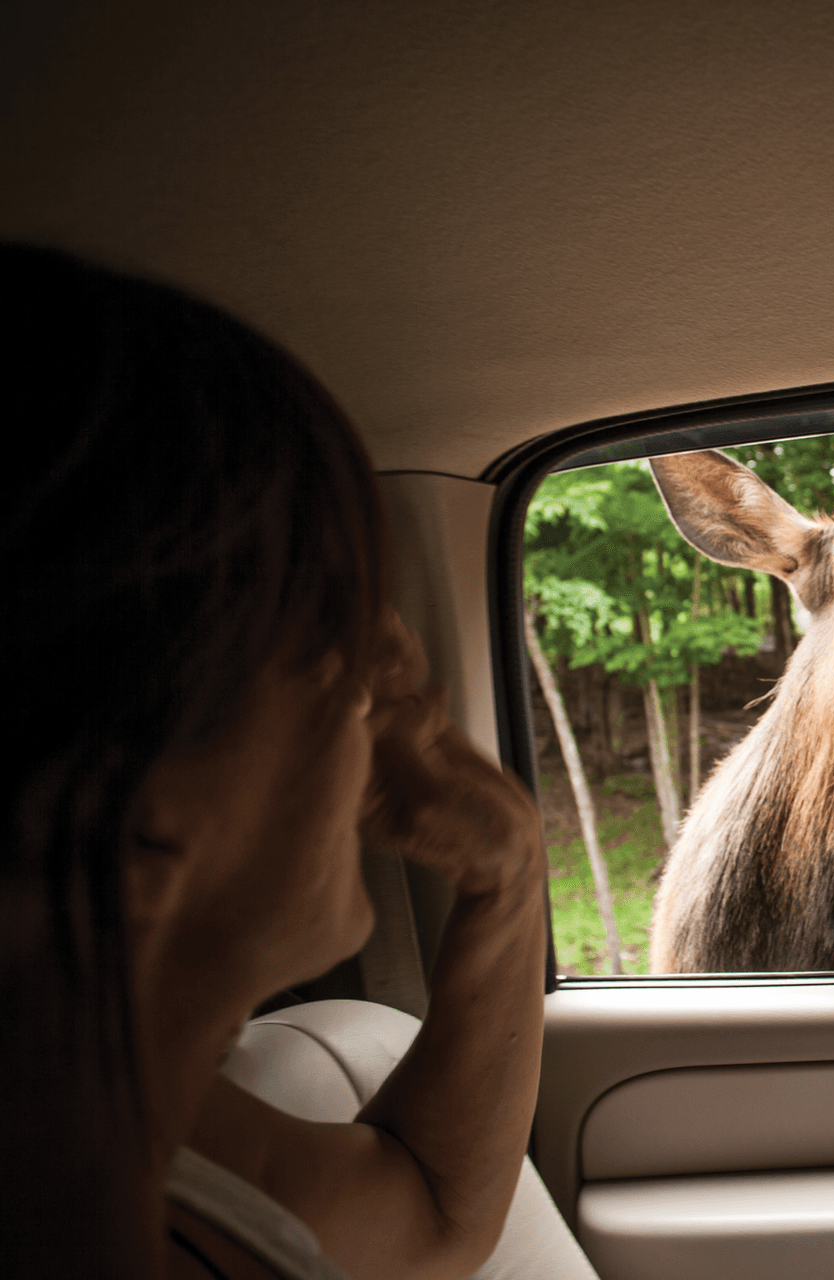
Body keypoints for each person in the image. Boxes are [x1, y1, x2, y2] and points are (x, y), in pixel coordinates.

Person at [0, 245, 549, 1278]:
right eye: (343, 667)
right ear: (131, 806)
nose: (396, 705)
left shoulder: (123, 1114)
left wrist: (511, 873)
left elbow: (432, 1211)